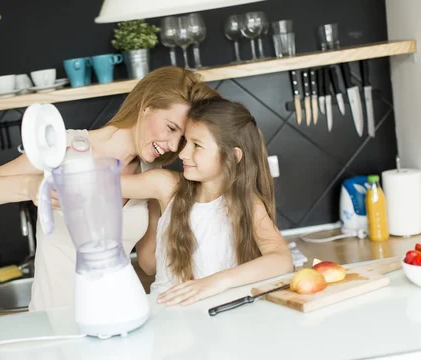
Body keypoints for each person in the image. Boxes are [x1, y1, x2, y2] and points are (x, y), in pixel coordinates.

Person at [0, 66, 221, 311]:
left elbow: (150, 262)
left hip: (119, 314)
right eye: (171, 128)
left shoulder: (151, 173)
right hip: (57, 318)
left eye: (182, 138)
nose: (173, 146)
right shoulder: (65, 147)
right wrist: (32, 185)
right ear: (146, 107)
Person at [119, 98, 293, 306]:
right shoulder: (166, 186)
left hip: (221, 320)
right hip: (169, 320)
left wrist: (215, 282)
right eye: (186, 142)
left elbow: (282, 260)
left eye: (197, 145)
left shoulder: (247, 203)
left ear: (233, 156)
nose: (182, 153)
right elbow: (95, 183)